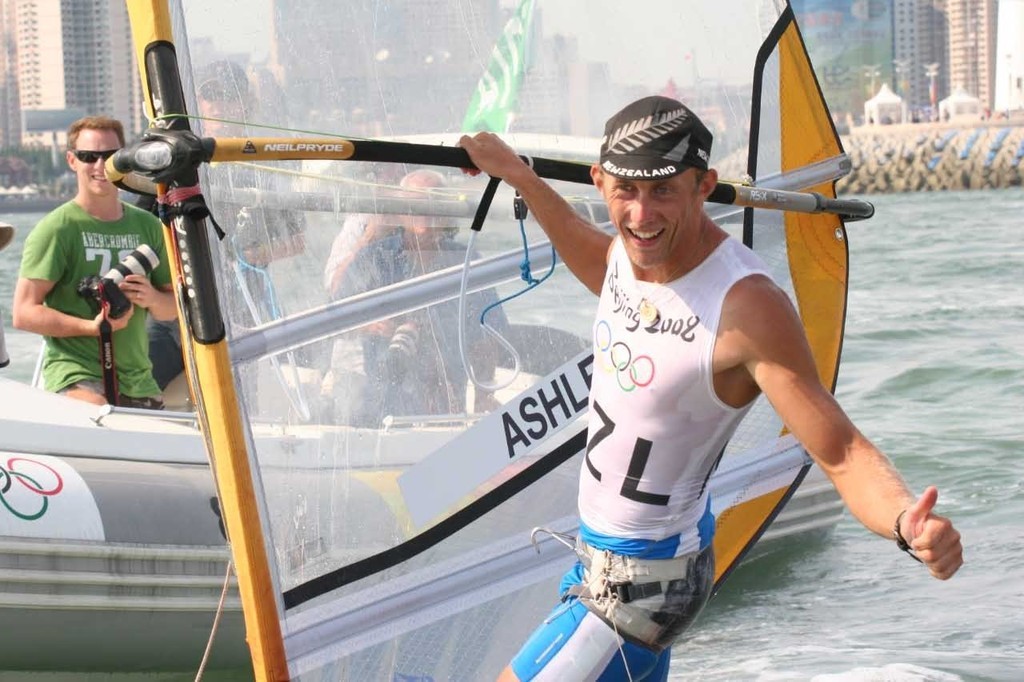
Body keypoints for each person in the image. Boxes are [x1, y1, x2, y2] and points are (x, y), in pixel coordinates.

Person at [459, 96, 964, 681]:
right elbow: (581, 242)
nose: (642, 214)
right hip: (604, 557)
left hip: (642, 587)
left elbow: (842, 451)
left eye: (664, 192)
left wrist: (907, 522)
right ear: (599, 181)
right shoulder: (627, 254)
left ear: (704, 186)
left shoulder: (745, 306)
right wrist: (518, 173)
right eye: (625, 191)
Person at [147, 59, 306, 393]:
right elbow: (144, 225)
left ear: (246, 102)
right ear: (199, 103)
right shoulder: (177, 157)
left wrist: (249, 254)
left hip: (243, 301)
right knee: (155, 383)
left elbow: (297, 240)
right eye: (211, 96)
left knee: (238, 393)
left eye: (228, 96)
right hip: (181, 298)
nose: (218, 105)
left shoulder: (265, 161)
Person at [12, 116, 176, 408]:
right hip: (77, 376)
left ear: (125, 160)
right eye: (89, 157)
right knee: (98, 414)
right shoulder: (56, 229)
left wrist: (150, 297)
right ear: (72, 161)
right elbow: (24, 313)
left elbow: (172, 310)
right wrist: (93, 327)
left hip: (139, 380)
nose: (100, 166)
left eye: (111, 156)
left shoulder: (149, 227)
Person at [329, 168, 507, 423]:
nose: (422, 211)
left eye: (432, 202)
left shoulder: (465, 260)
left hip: (447, 401)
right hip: (383, 399)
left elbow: (486, 336)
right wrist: (373, 326)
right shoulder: (375, 257)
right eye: (413, 203)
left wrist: (483, 395)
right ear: (399, 210)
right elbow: (337, 317)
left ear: (446, 211)